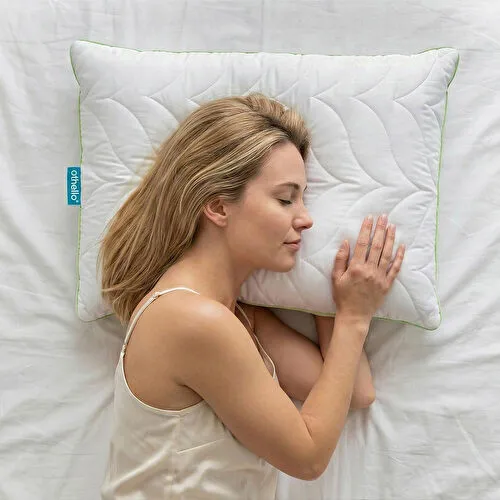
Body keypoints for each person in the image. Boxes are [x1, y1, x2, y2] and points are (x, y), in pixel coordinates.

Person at [98, 93, 405, 499]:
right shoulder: (191, 320)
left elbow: (355, 391)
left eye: (304, 198)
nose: (306, 218)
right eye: (285, 198)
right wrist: (354, 317)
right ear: (218, 207)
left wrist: (320, 286)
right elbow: (308, 457)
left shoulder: (237, 318)